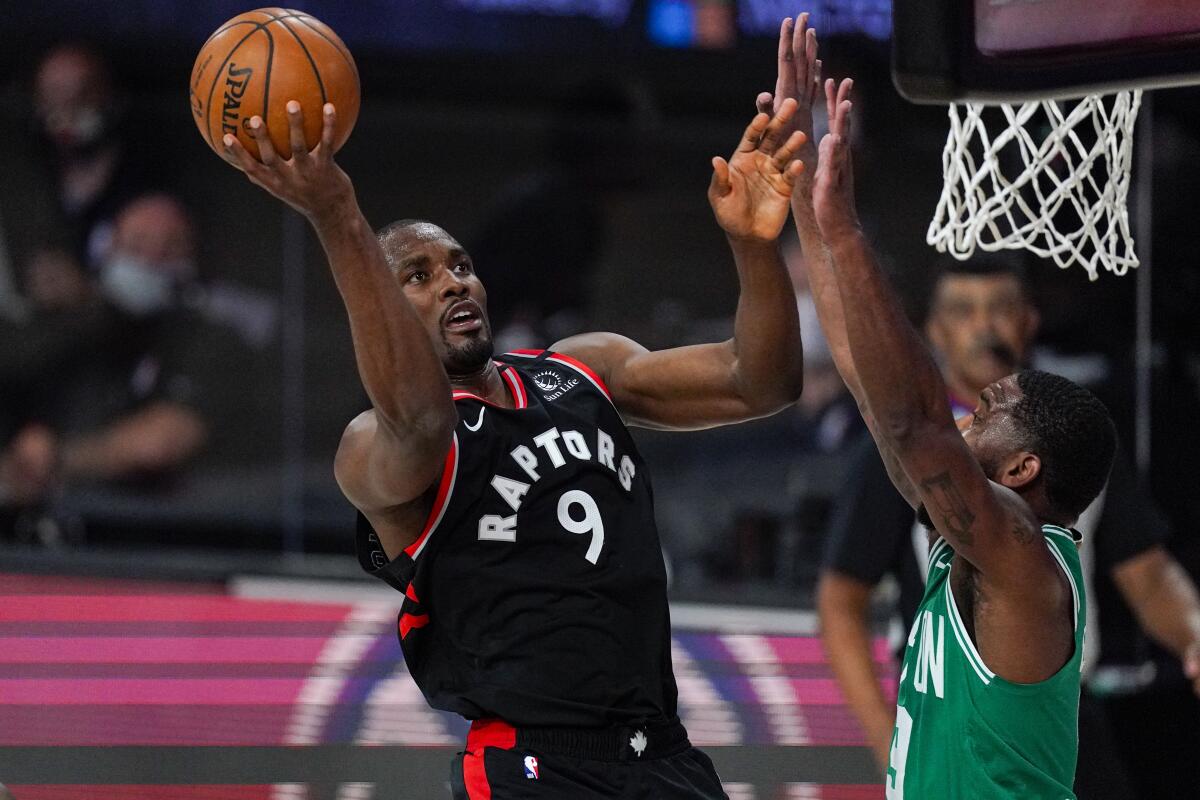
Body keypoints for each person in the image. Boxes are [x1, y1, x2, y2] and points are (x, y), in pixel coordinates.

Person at [221, 88, 808, 795]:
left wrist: (752, 246)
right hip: (533, 764)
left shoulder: (582, 370)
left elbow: (761, 382)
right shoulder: (373, 444)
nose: (452, 283)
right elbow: (420, 419)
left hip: (663, 755)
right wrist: (337, 212)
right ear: (380, 302)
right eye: (418, 275)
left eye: (460, 266)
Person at [765, 16, 1117, 796]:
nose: (967, 414)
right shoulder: (974, 536)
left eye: (989, 409)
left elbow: (912, 419)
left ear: (1023, 467)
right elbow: (865, 376)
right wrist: (803, 198)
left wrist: (847, 228)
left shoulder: (1025, 559)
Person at [817, 258, 1200, 795]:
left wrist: (839, 231)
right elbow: (876, 397)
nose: (983, 327)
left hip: (1025, 712)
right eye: (963, 311)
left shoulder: (1027, 511)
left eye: (999, 309)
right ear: (938, 329)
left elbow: (1148, 572)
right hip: (946, 705)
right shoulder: (963, 468)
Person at [0, 194, 214, 514]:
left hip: (163, 529)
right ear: (106, 250)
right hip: (54, 531)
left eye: (171, 247)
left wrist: (55, 457)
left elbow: (162, 440)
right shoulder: (73, 331)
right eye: (137, 244)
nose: (151, 259)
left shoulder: (211, 337)